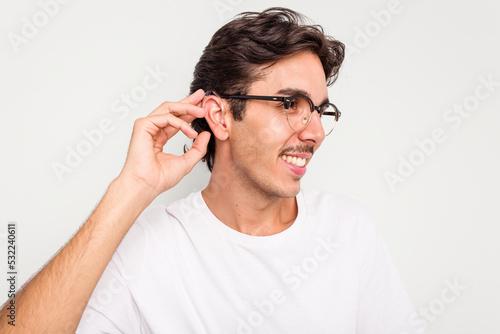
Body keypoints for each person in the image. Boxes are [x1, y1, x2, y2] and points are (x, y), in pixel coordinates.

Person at [0, 7, 425, 334]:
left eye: (320, 110)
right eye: (289, 104)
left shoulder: (348, 229)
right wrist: (130, 189)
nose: (315, 131)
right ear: (220, 117)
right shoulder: (152, 245)